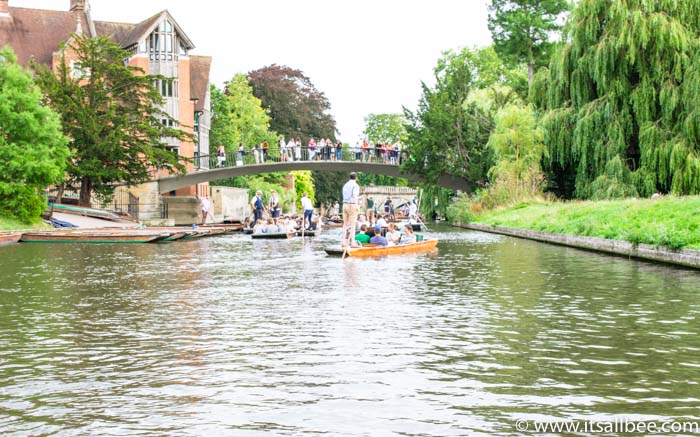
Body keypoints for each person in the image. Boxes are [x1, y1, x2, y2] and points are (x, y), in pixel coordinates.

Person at [341, 172, 360, 247]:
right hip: (352, 205)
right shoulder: (355, 185)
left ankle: (343, 242)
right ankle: (352, 243)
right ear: (356, 178)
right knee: (353, 224)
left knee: (345, 224)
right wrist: (357, 205)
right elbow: (355, 195)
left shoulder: (345, 185)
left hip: (344, 204)